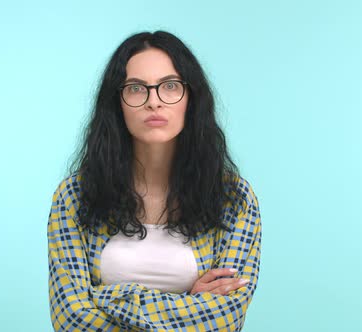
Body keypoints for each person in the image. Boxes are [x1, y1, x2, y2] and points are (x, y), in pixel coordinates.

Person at [47, 30, 262, 331]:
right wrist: (190, 300)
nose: (154, 102)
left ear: (191, 97)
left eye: (170, 86)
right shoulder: (74, 195)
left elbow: (225, 319)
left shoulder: (233, 198)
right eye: (136, 88)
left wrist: (110, 299)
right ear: (116, 102)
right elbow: (71, 320)